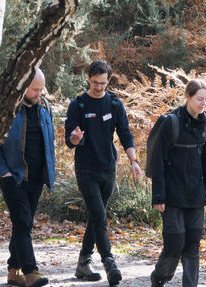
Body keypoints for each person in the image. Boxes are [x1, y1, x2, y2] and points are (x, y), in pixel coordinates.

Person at [64, 60, 142, 286]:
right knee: (100, 216)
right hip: (86, 168)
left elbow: (125, 135)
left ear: (108, 80)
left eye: (103, 83)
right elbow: (69, 140)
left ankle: (83, 262)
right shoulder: (77, 105)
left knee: (95, 217)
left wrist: (134, 161)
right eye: (96, 83)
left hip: (108, 168)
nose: (99, 87)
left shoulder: (115, 104)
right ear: (88, 78)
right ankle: (109, 262)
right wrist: (74, 139)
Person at [149, 79, 206, 287]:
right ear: (188, 97)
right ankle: (160, 277)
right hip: (171, 196)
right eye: (199, 99)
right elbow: (158, 162)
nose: (203, 103)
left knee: (192, 246)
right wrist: (158, 196)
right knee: (175, 243)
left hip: (196, 196)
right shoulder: (171, 123)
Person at [0, 69, 55, 287]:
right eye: (35, 89)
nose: (39, 93)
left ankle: (12, 272)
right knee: (21, 223)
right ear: (23, 86)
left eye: (41, 89)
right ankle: (31, 272)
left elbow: (49, 141)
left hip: (37, 178)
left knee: (24, 225)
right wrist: (5, 174)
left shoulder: (45, 107)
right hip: (13, 177)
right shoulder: (7, 109)